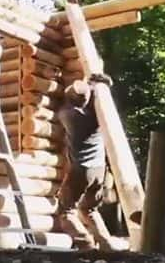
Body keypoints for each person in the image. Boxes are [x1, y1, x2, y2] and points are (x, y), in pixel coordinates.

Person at [56, 74, 126, 251]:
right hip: (99, 170)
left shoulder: (68, 115)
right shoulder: (96, 116)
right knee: (89, 210)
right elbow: (94, 92)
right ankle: (106, 244)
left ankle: (85, 243)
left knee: (66, 211)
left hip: (81, 170)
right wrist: (95, 84)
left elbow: (64, 101)